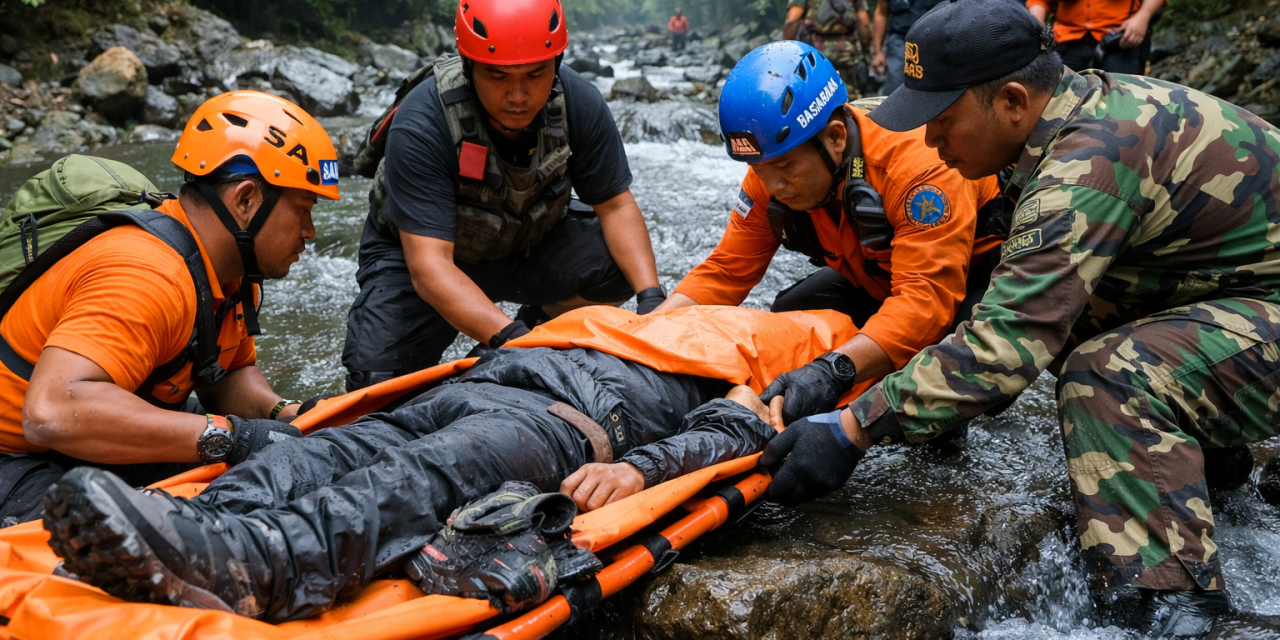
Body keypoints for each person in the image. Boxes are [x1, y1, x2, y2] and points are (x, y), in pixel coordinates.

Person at [764, 0, 1280, 636]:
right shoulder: (1068, 116)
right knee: (1061, 304)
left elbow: (1007, 344)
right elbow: (1013, 300)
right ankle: (1211, 462)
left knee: (1108, 376)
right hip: (1237, 289)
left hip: (1265, 303)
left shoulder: (1085, 164)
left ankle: (1171, 606)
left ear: (1010, 101)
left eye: (942, 120)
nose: (928, 141)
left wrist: (852, 429)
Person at [40, 307, 822, 622]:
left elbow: (734, 434)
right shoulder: (662, 312)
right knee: (322, 450)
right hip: (480, 384)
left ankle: (266, 563)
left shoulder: (777, 356)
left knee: (408, 480)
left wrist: (639, 472)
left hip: (561, 422)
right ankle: (189, 525)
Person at [0, 91, 339, 526]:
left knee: (278, 477)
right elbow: (52, 413)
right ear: (246, 199)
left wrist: (283, 414)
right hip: (20, 453)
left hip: (95, 429)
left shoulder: (233, 277)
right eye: (303, 210)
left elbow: (229, 376)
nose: (309, 232)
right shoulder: (148, 273)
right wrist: (231, 438)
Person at [654, 41, 1007, 426]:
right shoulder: (770, 172)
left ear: (836, 137)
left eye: (786, 168)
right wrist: (647, 331)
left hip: (968, 287)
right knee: (790, 320)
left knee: (943, 363)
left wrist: (834, 369)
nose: (772, 186)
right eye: (758, 169)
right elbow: (726, 271)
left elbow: (925, 304)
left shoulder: (917, 169)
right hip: (879, 279)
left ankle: (938, 421)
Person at [343, 0, 663, 392]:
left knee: (614, 266)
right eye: (497, 76)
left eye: (535, 74)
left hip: (524, 242)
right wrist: (512, 340)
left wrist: (652, 302)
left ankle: (538, 324)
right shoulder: (422, 121)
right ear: (469, 66)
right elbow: (429, 266)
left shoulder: (578, 100)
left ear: (557, 64)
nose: (518, 96)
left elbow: (616, 206)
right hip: (420, 258)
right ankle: (513, 336)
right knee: (375, 388)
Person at [1027, 0, 1165, 74]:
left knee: (1121, 100)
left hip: (1120, 39)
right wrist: (1037, 26)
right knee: (1058, 98)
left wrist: (1143, 16)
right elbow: (1039, 1)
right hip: (1066, 39)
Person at [782, 0, 873, 97]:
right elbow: (864, 23)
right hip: (846, 52)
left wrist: (786, 50)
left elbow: (792, 20)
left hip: (814, 55)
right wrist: (865, 48)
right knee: (849, 94)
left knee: (816, 94)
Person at [869, 0, 945, 95]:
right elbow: (881, 12)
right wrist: (877, 52)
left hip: (936, 39)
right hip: (900, 40)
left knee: (937, 87)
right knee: (894, 85)